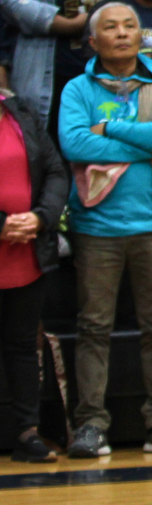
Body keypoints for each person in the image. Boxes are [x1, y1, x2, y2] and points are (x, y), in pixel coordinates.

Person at [58, 3, 152, 461]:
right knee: (94, 326)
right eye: (110, 27)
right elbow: (74, 142)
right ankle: (91, 423)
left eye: (130, 25)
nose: (121, 33)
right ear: (93, 42)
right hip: (96, 226)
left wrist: (111, 128)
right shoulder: (79, 88)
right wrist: (141, 137)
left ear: (142, 37)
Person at [0, 78, 63, 463]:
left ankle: (27, 433)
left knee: (24, 345)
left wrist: (40, 218)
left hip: (26, 250)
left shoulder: (21, 111)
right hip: (7, 235)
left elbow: (55, 170)